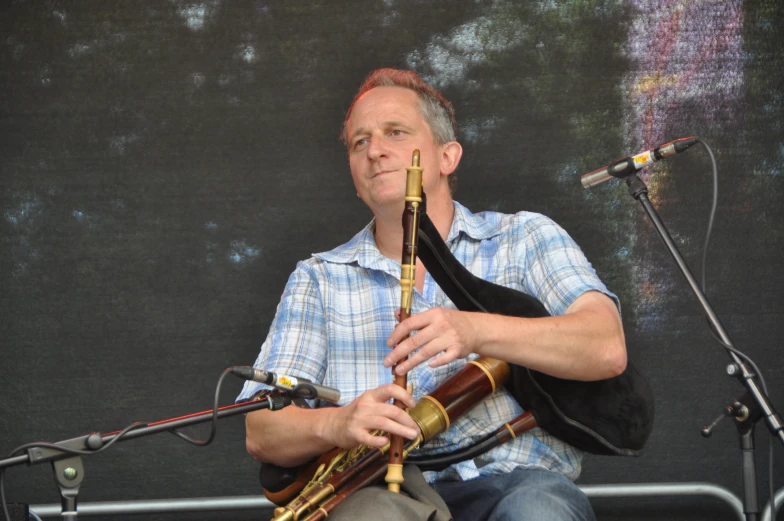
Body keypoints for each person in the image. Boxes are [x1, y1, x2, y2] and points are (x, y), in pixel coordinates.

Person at [237, 68, 627, 521]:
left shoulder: (524, 237)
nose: (375, 151)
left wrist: (475, 328)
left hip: (520, 486)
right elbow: (261, 431)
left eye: (395, 133)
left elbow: (606, 346)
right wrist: (337, 423)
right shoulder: (319, 278)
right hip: (381, 493)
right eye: (359, 142)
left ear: (447, 156)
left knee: (539, 513)